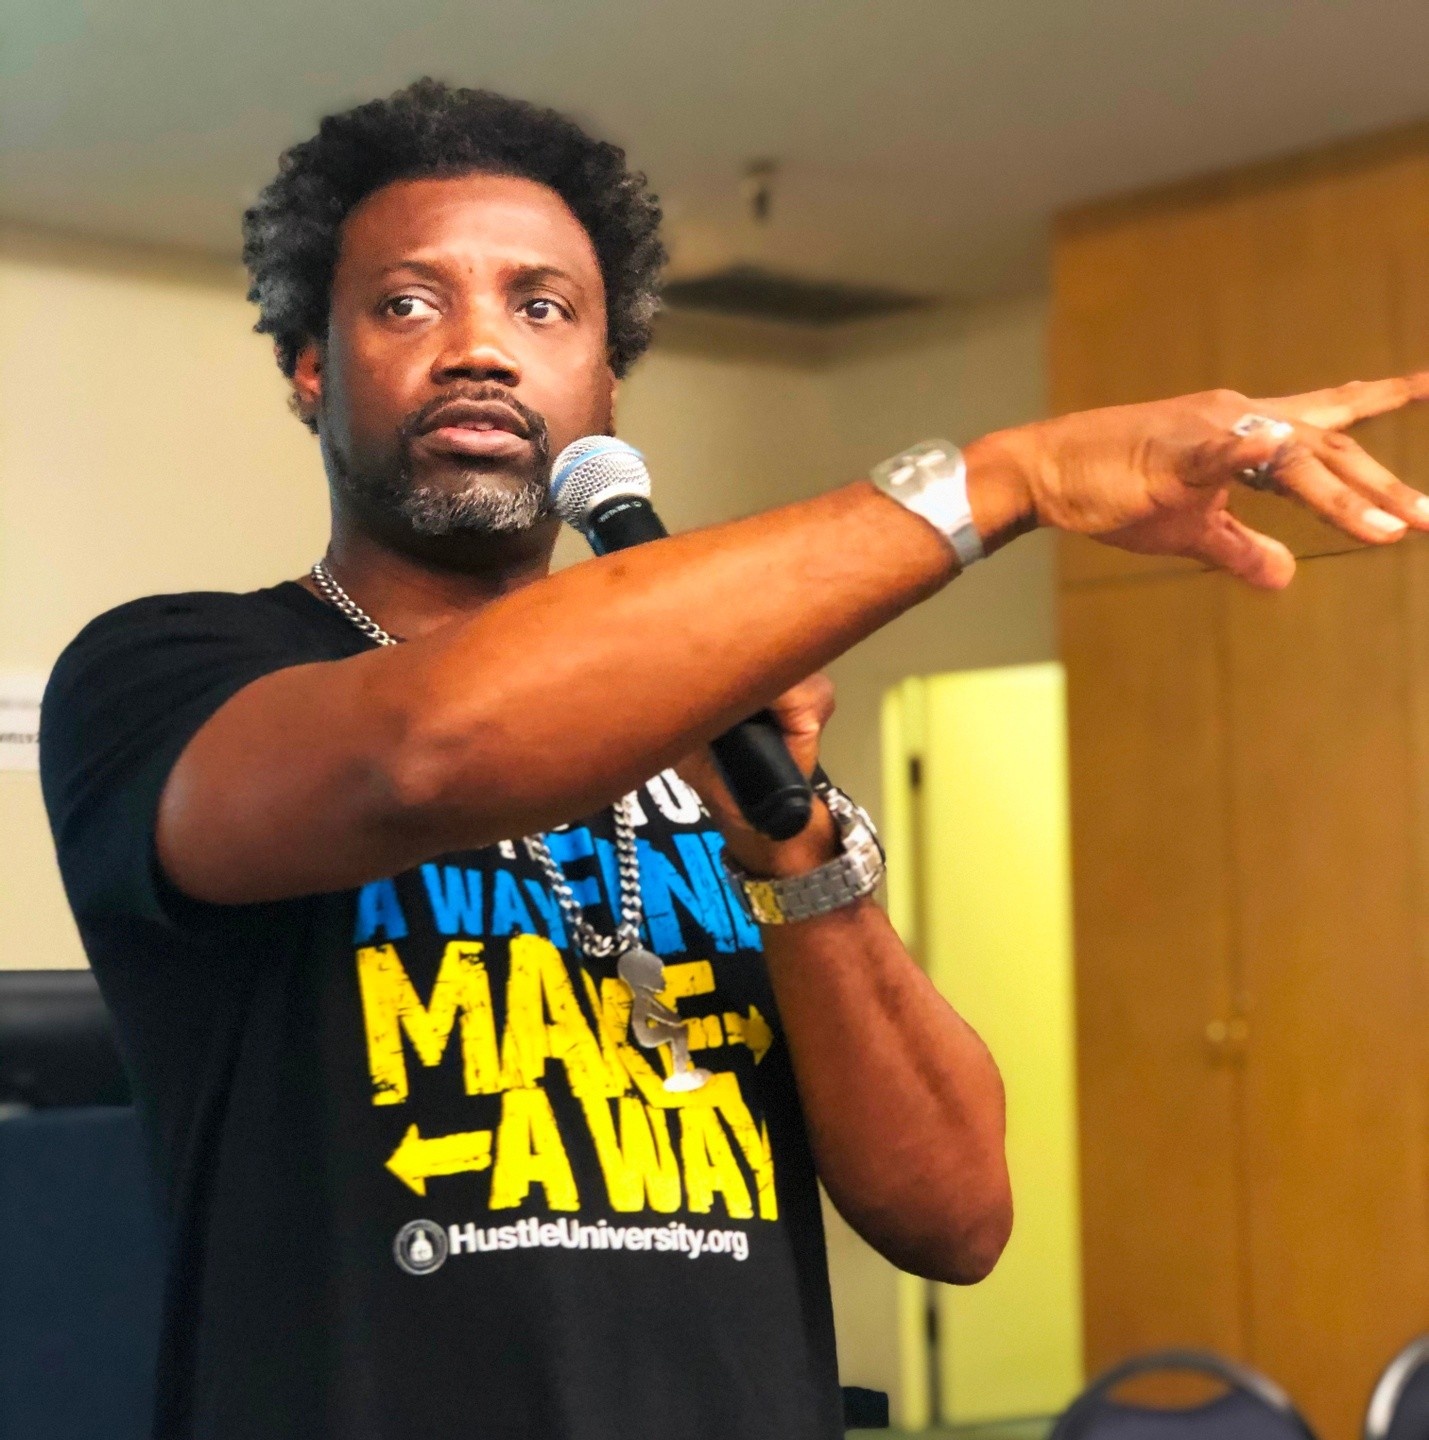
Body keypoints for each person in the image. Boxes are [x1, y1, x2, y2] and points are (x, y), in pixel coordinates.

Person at [37, 78, 1429, 1440]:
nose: (481, 348)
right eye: (408, 303)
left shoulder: (715, 729)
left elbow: (956, 1217)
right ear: (309, 366)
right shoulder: (171, 674)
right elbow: (422, 754)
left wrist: (789, 845)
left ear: (605, 387)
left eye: (542, 307)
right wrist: (1001, 481)